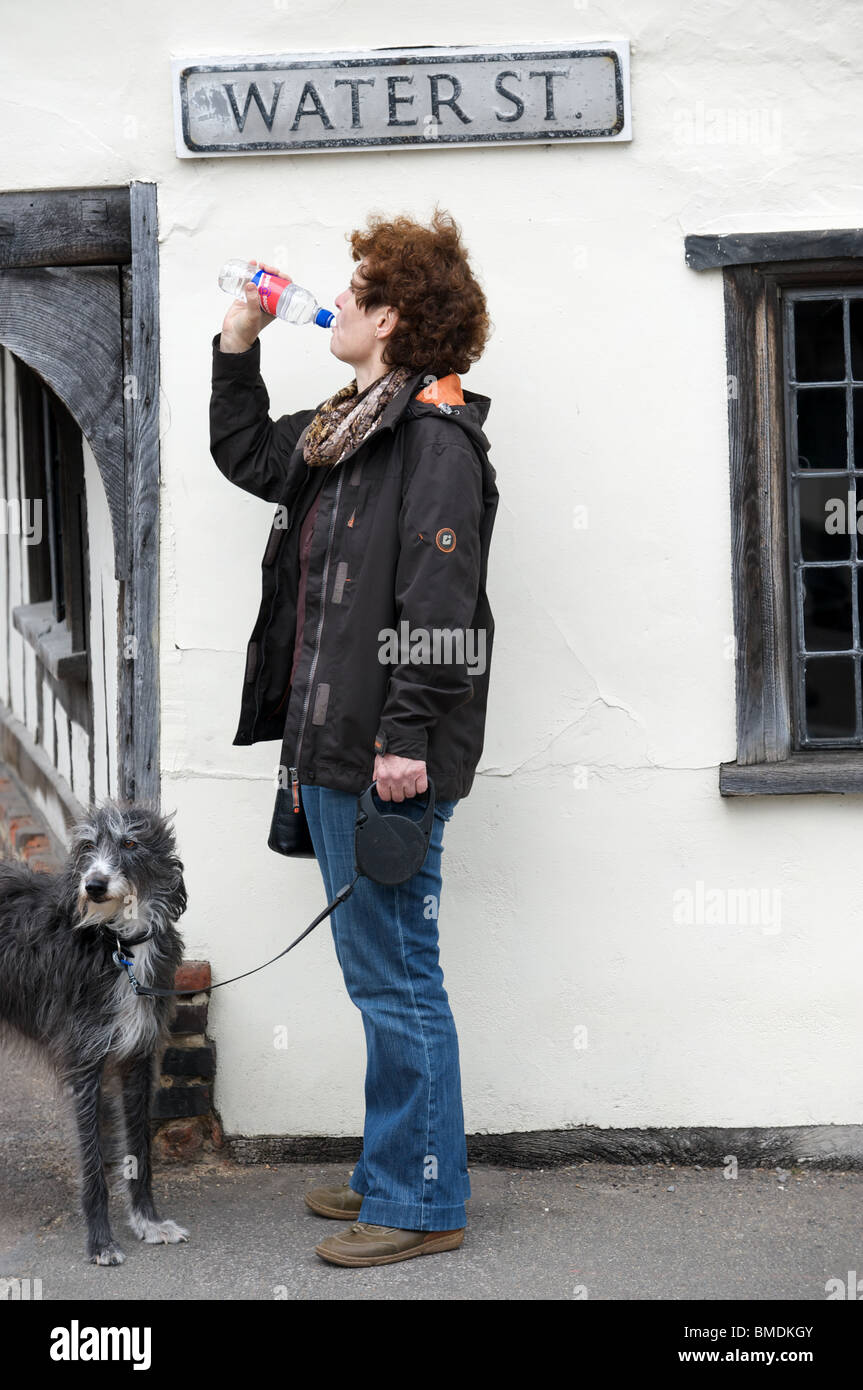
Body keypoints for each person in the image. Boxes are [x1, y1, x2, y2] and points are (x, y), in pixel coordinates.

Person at [209, 206, 498, 1266]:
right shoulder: (350, 428)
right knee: (379, 972)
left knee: (395, 976)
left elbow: (440, 594)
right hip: (336, 746)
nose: (341, 299)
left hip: (386, 753)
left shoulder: (430, 438)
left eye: (359, 288)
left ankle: (420, 1203)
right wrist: (240, 334)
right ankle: (396, 1165)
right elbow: (245, 451)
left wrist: (405, 740)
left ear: (390, 319)